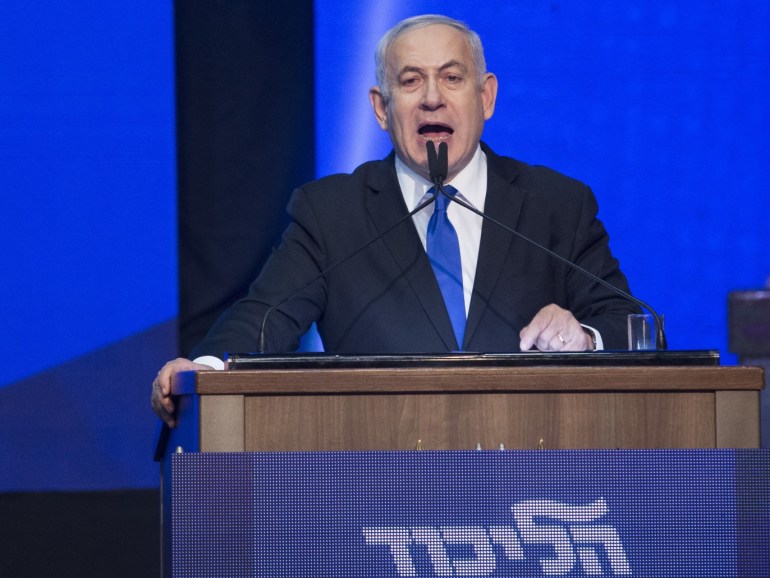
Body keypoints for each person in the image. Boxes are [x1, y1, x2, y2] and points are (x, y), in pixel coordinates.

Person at [152, 14, 639, 427]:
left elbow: (632, 325)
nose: (432, 98)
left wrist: (585, 337)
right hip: (383, 480)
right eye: (410, 81)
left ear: (486, 97)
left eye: (452, 77)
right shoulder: (332, 212)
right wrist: (202, 369)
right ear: (381, 109)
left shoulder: (556, 204)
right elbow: (264, 317)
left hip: (536, 475)